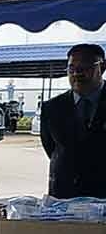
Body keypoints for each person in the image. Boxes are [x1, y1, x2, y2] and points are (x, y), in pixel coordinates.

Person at [39, 43, 106, 198]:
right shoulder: (52, 108)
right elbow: (53, 149)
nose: (77, 73)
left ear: (102, 67)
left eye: (84, 67)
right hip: (64, 199)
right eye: (71, 68)